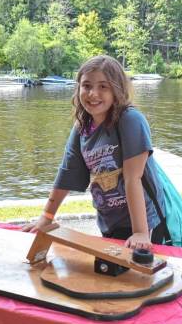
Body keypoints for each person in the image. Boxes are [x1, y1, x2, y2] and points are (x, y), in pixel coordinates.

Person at [22, 55, 165, 250]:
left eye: (103, 87)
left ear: (117, 89)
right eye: (86, 85)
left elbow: (134, 178)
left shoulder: (130, 120)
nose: (93, 94)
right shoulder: (82, 127)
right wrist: (46, 218)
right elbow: (66, 173)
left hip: (143, 224)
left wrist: (140, 231)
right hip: (109, 222)